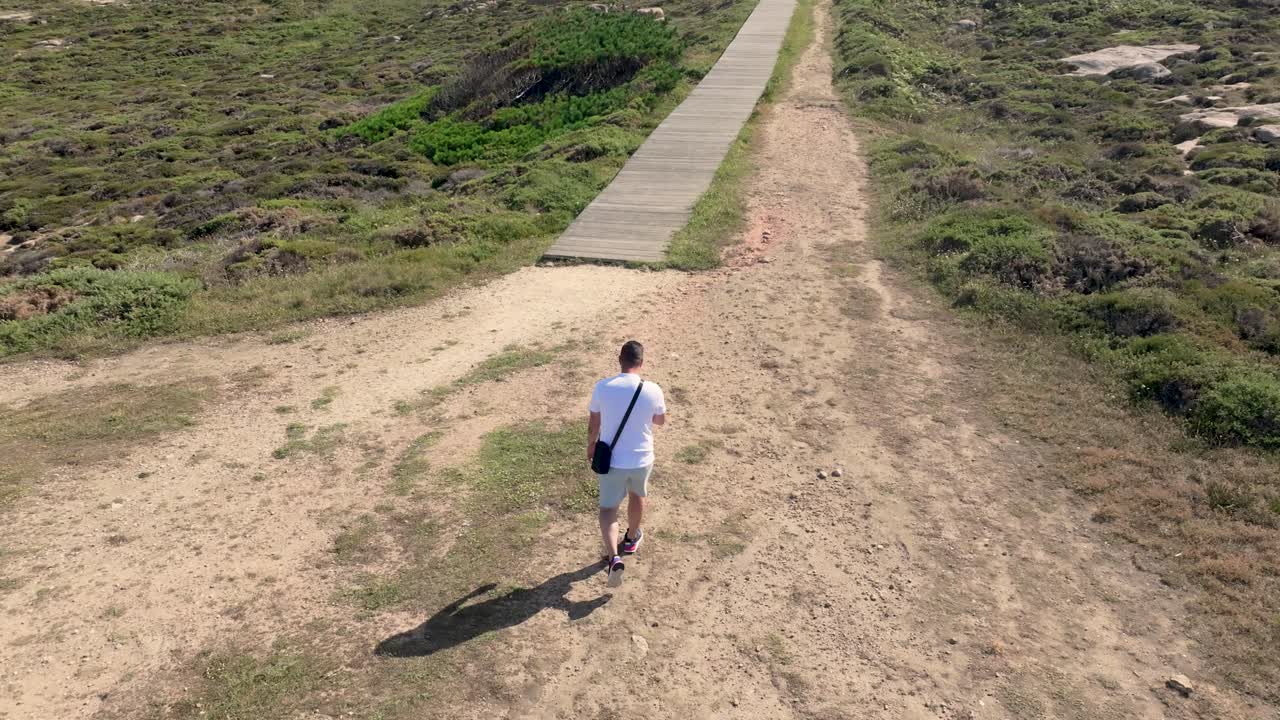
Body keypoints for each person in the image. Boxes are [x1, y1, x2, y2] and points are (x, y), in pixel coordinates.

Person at [587, 340, 666, 587]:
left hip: (612, 460)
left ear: (619, 360)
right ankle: (631, 538)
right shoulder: (653, 389)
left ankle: (614, 558)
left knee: (608, 509)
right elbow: (660, 420)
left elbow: (594, 424)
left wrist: (590, 446)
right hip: (642, 458)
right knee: (637, 495)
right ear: (641, 363)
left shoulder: (602, 387)